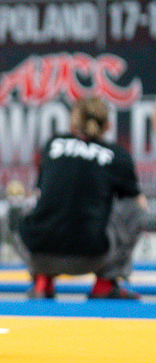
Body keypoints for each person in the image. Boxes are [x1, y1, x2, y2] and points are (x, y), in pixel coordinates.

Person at [19, 96, 148, 300]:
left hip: (39, 253)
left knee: (18, 207)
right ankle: (105, 284)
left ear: (73, 123)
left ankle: (42, 280)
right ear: (108, 125)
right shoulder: (117, 155)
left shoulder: (52, 144)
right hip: (92, 257)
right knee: (136, 210)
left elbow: (40, 194)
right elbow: (139, 204)